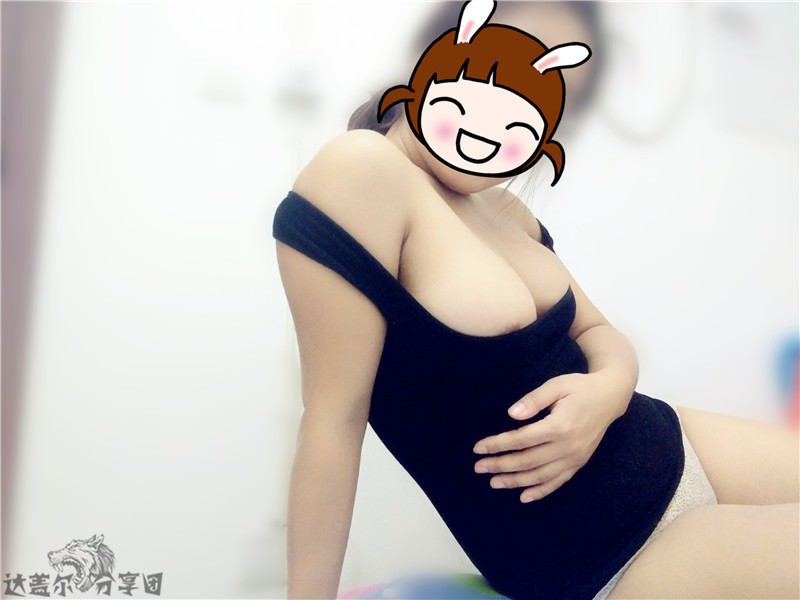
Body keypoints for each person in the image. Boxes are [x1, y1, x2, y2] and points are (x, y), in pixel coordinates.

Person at [273, 2, 799, 598]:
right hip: (606, 556)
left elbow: (599, 333)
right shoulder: (359, 169)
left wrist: (604, 394)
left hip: (673, 441)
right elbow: (333, 421)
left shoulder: (501, 204)